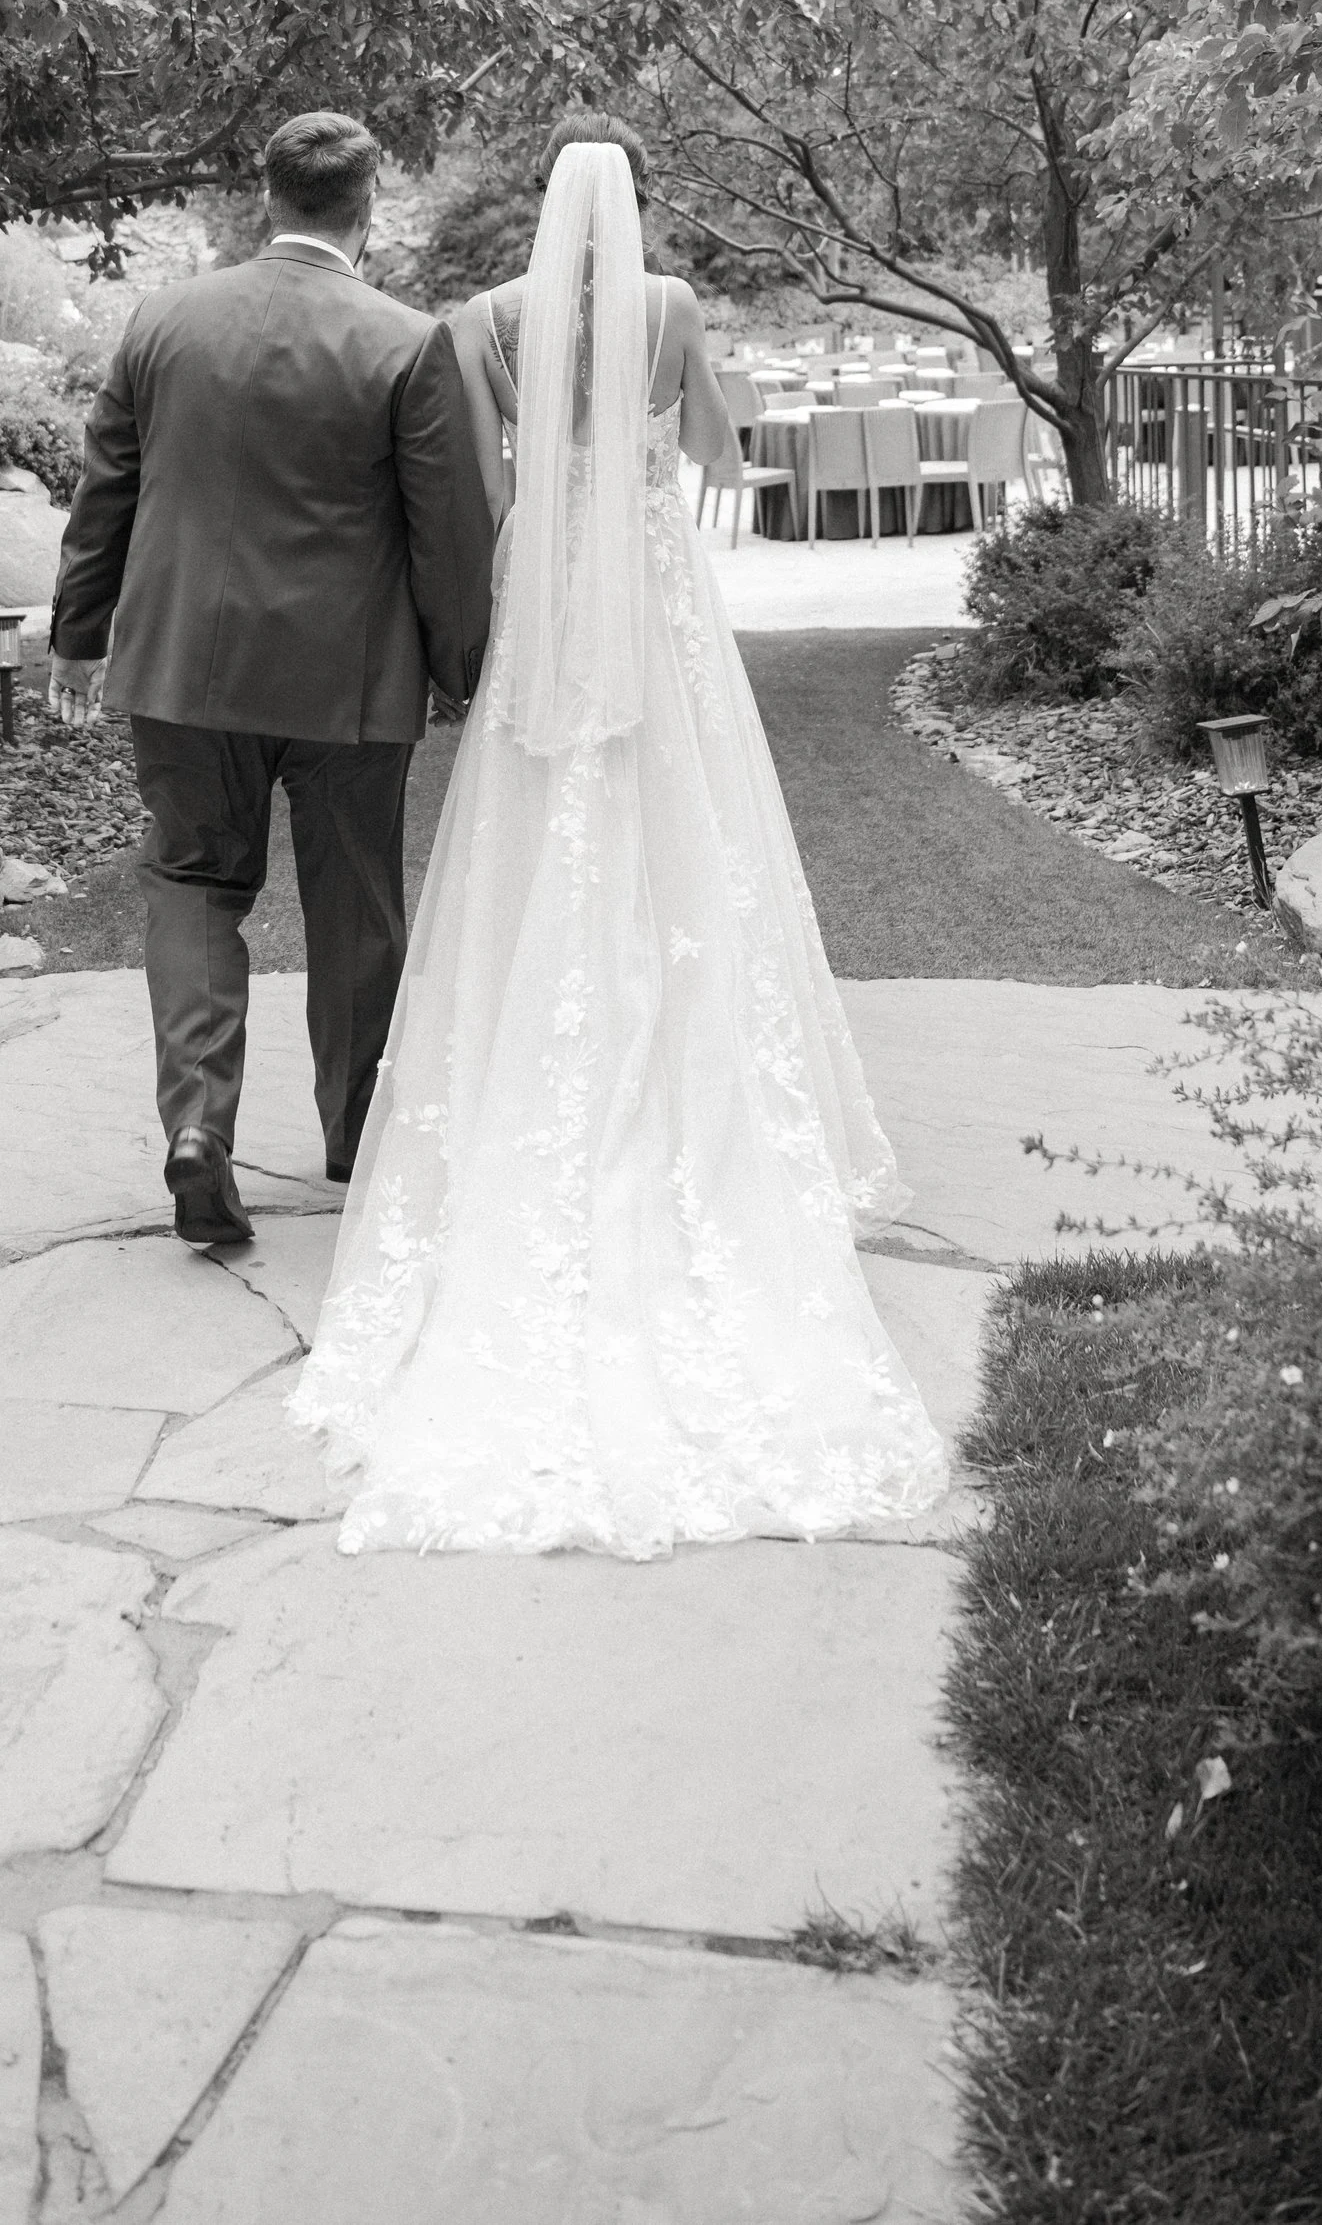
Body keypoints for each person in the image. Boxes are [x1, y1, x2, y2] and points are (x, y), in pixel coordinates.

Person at [288, 117, 948, 1557]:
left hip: (551, 605)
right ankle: (693, 1070)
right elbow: (717, 444)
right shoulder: (671, 308)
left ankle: (526, 1062)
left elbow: (477, 462)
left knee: (536, 825)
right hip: (655, 618)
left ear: (544, 213)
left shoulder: (491, 317)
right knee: (685, 824)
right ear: (636, 208)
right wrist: (713, 401)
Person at [46, 111, 493, 1250]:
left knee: (195, 883)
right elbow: (444, 533)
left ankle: (199, 1129)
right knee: (355, 907)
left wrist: (77, 632)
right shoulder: (405, 339)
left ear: (267, 196)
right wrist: (462, 667)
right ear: (367, 202)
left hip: (183, 667)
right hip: (347, 682)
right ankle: (353, 1137)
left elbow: (108, 489)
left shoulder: (164, 320)